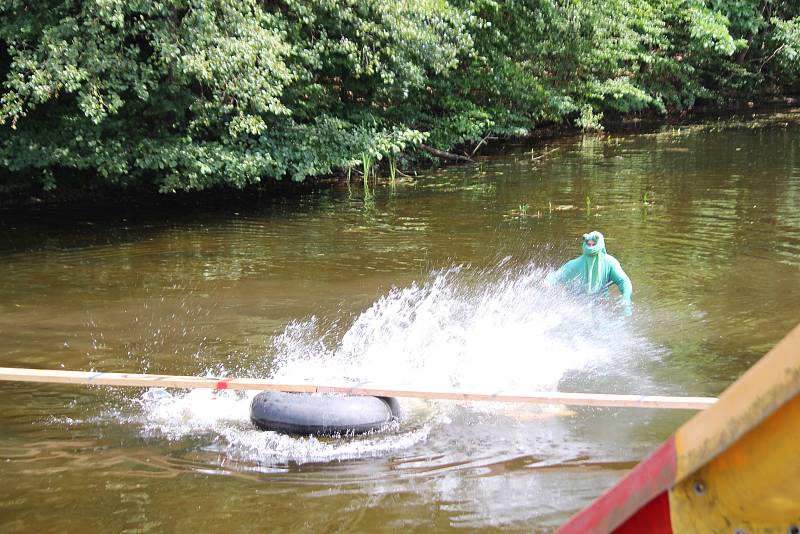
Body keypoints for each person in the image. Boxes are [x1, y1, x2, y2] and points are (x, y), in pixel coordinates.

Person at [545, 230, 633, 314]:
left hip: (601, 304)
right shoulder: (575, 264)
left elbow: (624, 281)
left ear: (600, 244)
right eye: (588, 244)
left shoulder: (609, 262)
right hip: (579, 306)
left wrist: (625, 299)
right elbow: (556, 277)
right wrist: (547, 283)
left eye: (593, 244)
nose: (591, 246)